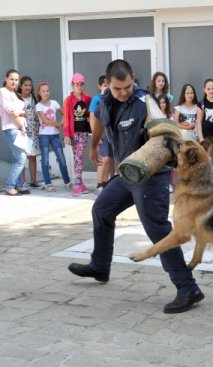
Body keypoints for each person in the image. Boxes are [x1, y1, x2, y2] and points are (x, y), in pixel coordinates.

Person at [68, 59, 203, 314]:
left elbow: (167, 133)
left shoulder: (146, 104)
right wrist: (95, 145)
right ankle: (100, 266)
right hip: (127, 174)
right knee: (102, 209)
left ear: (133, 79)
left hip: (151, 176)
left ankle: (188, 288)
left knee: (159, 230)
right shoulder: (106, 100)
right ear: (108, 84)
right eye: (118, 88)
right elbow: (97, 119)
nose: (123, 92)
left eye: (128, 86)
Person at [35, 82, 71, 191]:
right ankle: (48, 183)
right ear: (39, 93)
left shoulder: (54, 103)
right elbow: (46, 121)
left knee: (61, 158)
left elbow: (65, 113)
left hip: (55, 135)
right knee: (45, 160)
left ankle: (67, 181)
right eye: (43, 91)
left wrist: (62, 121)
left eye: (47, 91)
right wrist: (59, 124)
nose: (46, 93)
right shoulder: (38, 106)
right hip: (44, 136)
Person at [1, 69, 29, 196]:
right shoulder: (3, 92)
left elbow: (22, 112)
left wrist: (20, 113)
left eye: (16, 79)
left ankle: (18, 185)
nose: (14, 81)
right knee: (21, 158)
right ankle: (10, 185)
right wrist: (21, 122)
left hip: (19, 129)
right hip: (12, 128)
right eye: (11, 79)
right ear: (6, 79)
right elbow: (11, 112)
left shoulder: (16, 94)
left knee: (17, 158)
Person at [63, 72, 92, 196]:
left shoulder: (87, 98)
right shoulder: (68, 100)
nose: (79, 87)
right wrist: (66, 135)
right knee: (77, 157)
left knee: (79, 156)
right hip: (73, 133)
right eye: (77, 84)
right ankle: (78, 183)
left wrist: (94, 130)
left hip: (84, 132)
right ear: (72, 85)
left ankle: (78, 182)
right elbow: (66, 118)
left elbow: (92, 114)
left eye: (81, 84)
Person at [89, 75, 113, 193]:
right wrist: (95, 135)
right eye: (104, 85)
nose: (106, 87)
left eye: (107, 85)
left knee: (110, 159)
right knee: (104, 158)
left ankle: (105, 182)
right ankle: (99, 183)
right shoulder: (96, 99)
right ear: (99, 86)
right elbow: (92, 118)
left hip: (111, 133)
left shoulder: (112, 97)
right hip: (101, 133)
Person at [18, 76, 40, 188]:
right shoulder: (17, 98)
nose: (28, 87)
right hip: (22, 130)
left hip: (33, 131)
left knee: (32, 156)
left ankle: (33, 181)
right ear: (20, 86)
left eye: (30, 85)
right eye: (25, 85)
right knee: (22, 157)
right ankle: (22, 182)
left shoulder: (33, 98)